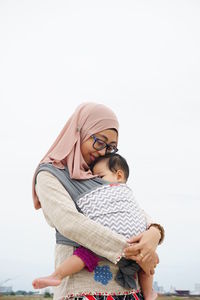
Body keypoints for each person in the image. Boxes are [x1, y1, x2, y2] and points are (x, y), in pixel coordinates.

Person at [32, 102, 164, 300]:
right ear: (80, 132)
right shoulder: (50, 175)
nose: (103, 152)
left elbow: (129, 209)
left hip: (129, 291)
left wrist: (155, 232)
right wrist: (137, 253)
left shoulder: (99, 174)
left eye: (110, 147)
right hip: (84, 290)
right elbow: (71, 224)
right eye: (99, 142)